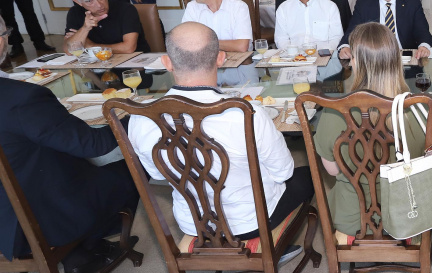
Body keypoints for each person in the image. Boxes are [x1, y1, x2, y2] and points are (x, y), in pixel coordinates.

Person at [128, 22, 313, 259]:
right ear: (221, 59)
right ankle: (273, 248)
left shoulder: (140, 117)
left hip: (193, 224)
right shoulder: (245, 112)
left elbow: (157, 175)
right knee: (306, 174)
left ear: (166, 62)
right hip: (249, 223)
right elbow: (283, 172)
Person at [0, 14, 139, 273]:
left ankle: (79, 253)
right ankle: (80, 249)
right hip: (30, 222)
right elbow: (93, 145)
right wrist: (138, 119)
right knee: (128, 169)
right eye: (6, 32)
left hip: (7, 214)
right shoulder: (22, 99)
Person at [315, 22, 432, 242]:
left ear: (355, 62)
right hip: (409, 215)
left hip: (352, 219)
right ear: (395, 60)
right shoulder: (420, 108)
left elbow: (332, 171)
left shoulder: (334, 111)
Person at [338, 0, 432, 60]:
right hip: (374, 58)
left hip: (405, 57)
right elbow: (352, 32)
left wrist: (423, 46)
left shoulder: (412, 3)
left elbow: (422, 31)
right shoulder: (363, 5)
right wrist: (345, 46)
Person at [65, 0, 150, 54]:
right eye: (89, 1)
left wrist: (91, 46)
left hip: (131, 64)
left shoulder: (125, 9)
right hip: (95, 65)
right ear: (78, 2)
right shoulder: (74, 13)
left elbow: (128, 48)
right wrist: (85, 28)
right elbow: (68, 50)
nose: (99, 5)